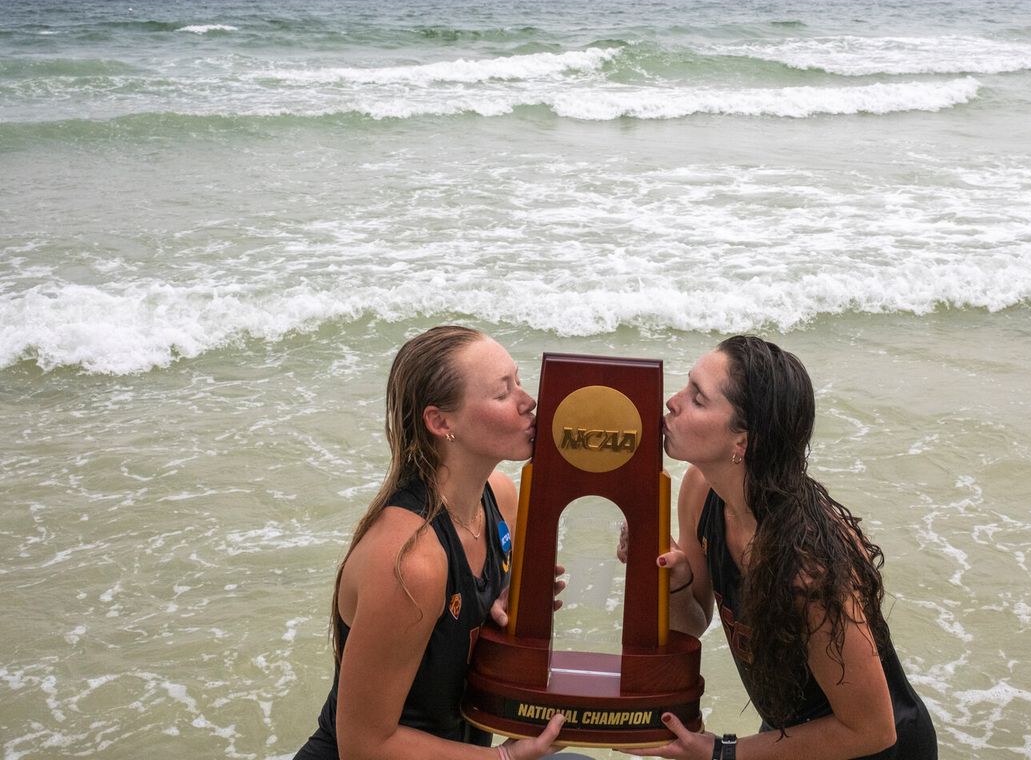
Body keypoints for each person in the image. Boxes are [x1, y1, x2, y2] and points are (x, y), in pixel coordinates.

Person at [628, 335, 936, 760]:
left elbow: (871, 728)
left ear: (744, 441)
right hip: (792, 733)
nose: (672, 402)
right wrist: (675, 580)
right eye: (686, 387)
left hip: (868, 747)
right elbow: (691, 625)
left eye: (698, 399)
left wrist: (722, 752)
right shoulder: (701, 490)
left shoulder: (809, 565)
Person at [295, 326, 565, 760]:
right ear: (441, 422)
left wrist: (511, 600)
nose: (528, 400)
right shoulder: (410, 563)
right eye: (503, 393)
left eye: (518, 380)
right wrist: (505, 757)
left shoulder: (500, 497)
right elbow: (363, 745)